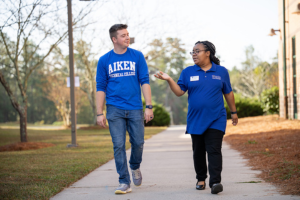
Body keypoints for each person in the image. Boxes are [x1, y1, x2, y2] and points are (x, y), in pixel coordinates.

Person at [154, 41, 238, 195]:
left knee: (214, 150)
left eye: (197, 51)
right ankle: (201, 178)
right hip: (196, 119)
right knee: (198, 151)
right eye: (192, 52)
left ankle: (215, 182)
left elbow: (228, 92)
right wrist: (169, 80)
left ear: (208, 53)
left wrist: (233, 112)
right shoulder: (188, 72)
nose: (194, 54)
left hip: (216, 118)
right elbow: (179, 92)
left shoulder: (221, 71)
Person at [96, 24, 154, 194]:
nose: (127, 38)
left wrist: (148, 106)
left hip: (135, 107)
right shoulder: (104, 60)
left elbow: (144, 81)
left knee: (138, 143)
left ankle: (135, 166)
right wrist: (100, 112)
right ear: (114, 39)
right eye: (123, 35)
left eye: (127, 35)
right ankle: (124, 181)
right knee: (118, 145)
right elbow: (100, 87)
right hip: (114, 109)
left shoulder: (137, 56)